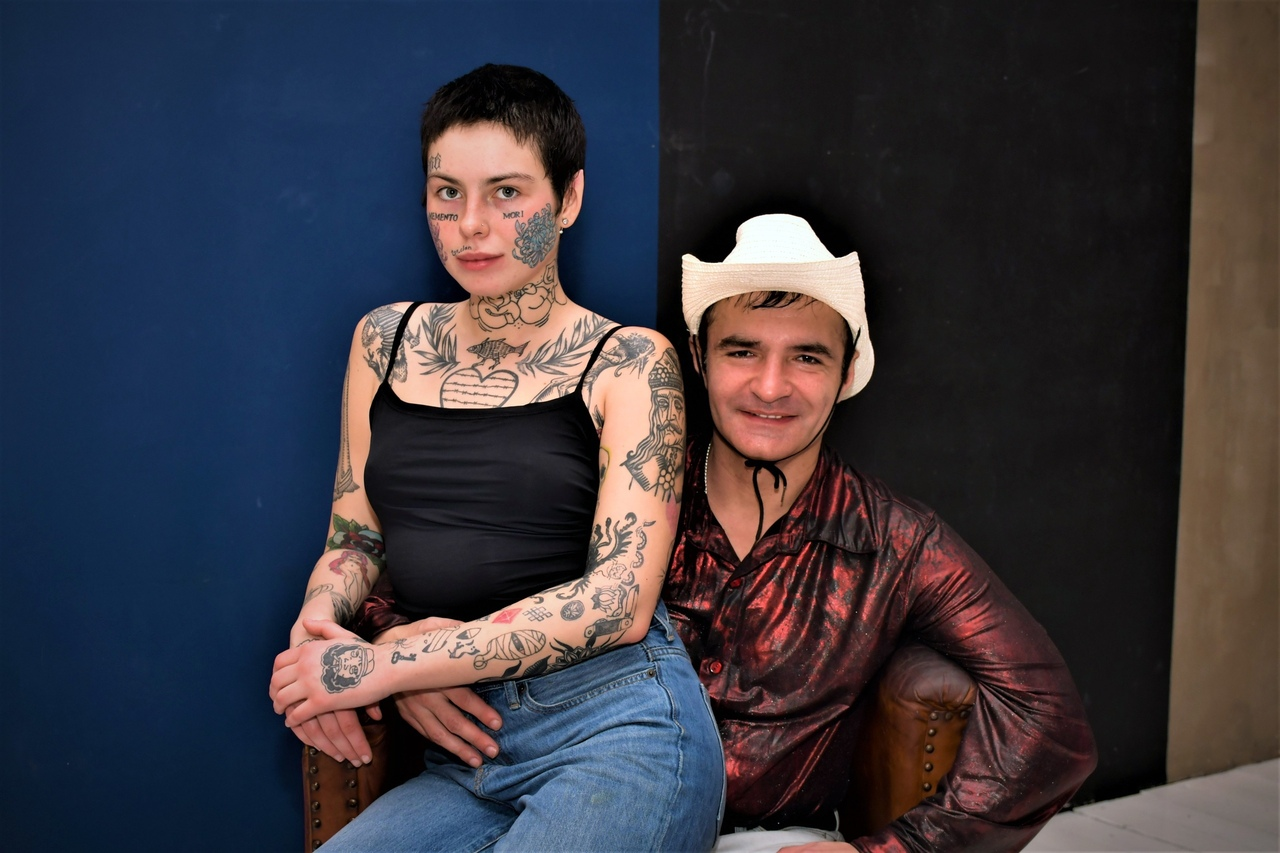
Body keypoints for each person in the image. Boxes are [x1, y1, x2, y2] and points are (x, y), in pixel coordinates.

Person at [352, 212, 1098, 852]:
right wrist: (402, 650)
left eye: (807, 357)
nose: (770, 387)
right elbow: (441, 565)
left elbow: (1050, 717)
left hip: (763, 837)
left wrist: (897, 850)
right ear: (700, 360)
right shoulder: (622, 492)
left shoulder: (895, 541)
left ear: (845, 374)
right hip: (554, 792)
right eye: (742, 350)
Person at [268, 64, 724, 852]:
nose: (471, 224)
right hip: (470, 750)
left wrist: (391, 666)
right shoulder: (384, 341)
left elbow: (617, 602)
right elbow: (357, 538)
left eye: (507, 193)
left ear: (568, 199)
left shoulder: (630, 361)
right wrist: (317, 631)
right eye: (447, 194)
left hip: (618, 728)